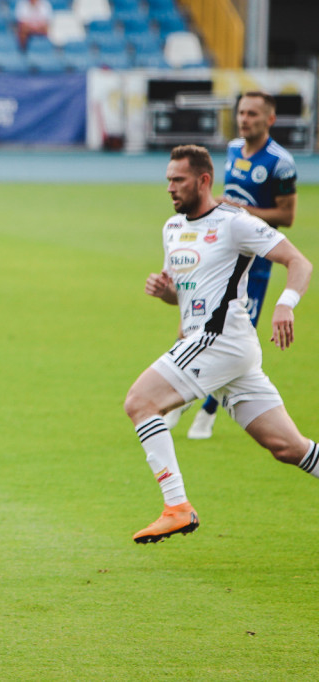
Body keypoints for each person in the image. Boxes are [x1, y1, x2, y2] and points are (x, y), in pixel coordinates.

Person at [123, 145, 315, 544]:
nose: (170, 188)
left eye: (178, 180)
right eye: (168, 181)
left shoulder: (234, 223)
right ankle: (176, 507)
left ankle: (176, 506)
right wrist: (166, 293)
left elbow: (299, 262)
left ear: (203, 180)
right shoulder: (172, 228)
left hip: (221, 339)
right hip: (221, 347)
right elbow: (188, 292)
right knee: (287, 446)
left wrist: (285, 304)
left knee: (140, 402)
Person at [180, 92, 299, 440]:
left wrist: (240, 211)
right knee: (195, 319)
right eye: (241, 112)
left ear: (270, 119)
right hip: (220, 254)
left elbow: (286, 216)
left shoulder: (281, 162)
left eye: (252, 114)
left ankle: (206, 413)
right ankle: (182, 396)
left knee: (232, 336)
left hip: (256, 265)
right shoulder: (233, 149)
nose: (244, 119)